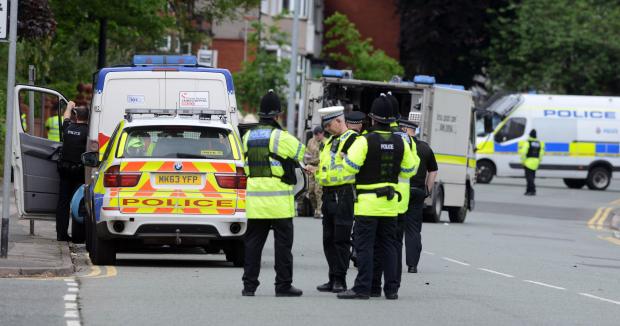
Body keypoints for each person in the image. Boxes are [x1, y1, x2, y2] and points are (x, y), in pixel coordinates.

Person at [338, 95, 417, 300]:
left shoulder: (364, 141)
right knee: (389, 246)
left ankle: (363, 288)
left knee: (365, 247)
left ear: (372, 119)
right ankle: (391, 290)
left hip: (367, 204)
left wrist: (345, 159)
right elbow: (409, 171)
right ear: (391, 120)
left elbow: (350, 167)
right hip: (391, 204)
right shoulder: (401, 142)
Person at [241, 90, 305, 297]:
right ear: (278, 115)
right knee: (283, 247)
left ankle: (249, 286)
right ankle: (283, 286)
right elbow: (302, 153)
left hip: (255, 202)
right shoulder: (281, 136)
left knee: (252, 246)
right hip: (279, 203)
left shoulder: (248, 136)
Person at [371, 93, 419, 295]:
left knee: (375, 245)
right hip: (400, 200)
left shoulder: (373, 136)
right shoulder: (406, 139)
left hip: (375, 199)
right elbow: (413, 166)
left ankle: (373, 286)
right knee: (394, 245)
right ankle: (393, 287)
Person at [310, 106, 358, 293]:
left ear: (339, 121)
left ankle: (340, 279)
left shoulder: (353, 140)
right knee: (328, 239)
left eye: (329, 125)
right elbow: (326, 167)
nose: (327, 130)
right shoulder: (329, 142)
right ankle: (332, 277)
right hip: (329, 194)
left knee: (341, 239)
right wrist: (315, 172)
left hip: (344, 193)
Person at [400, 117, 437, 274]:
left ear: (404, 130)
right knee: (413, 229)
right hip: (417, 191)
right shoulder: (425, 148)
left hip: (400, 191)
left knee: (395, 227)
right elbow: (433, 171)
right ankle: (412, 265)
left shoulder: (400, 145)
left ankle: (391, 262)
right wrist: (427, 190)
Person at [56, 101, 89, 241]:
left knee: (63, 203)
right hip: (79, 173)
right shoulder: (88, 132)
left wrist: (69, 107)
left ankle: (61, 234)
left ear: (76, 115)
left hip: (64, 170)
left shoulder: (68, 128)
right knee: (81, 202)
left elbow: (65, 117)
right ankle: (79, 235)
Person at [304, 126, 325, 218]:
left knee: (318, 190)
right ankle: (315, 208)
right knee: (310, 190)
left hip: (320, 167)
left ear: (322, 133)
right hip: (311, 167)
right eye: (315, 134)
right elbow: (307, 152)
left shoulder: (326, 142)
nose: (316, 136)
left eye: (318, 134)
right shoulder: (311, 141)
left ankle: (319, 210)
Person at [519, 129, 544, 196]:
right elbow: (541, 153)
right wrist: (539, 161)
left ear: (530, 135)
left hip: (528, 162)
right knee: (532, 177)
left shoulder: (528, 142)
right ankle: (528, 190)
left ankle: (532, 190)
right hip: (535, 162)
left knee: (529, 178)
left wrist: (523, 161)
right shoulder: (539, 143)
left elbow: (523, 152)